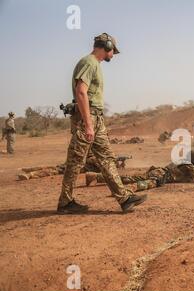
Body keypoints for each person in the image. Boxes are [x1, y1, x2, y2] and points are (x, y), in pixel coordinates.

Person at [57, 33, 147, 213]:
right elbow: (81, 92)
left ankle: (125, 198)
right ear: (106, 46)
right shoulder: (89, 62)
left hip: (95, 119)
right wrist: (89, 124)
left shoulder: (94, 65)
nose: (113, 54)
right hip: (87, 119)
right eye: (113, 50)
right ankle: (65, 203)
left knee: (107, 159)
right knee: (75, 162)